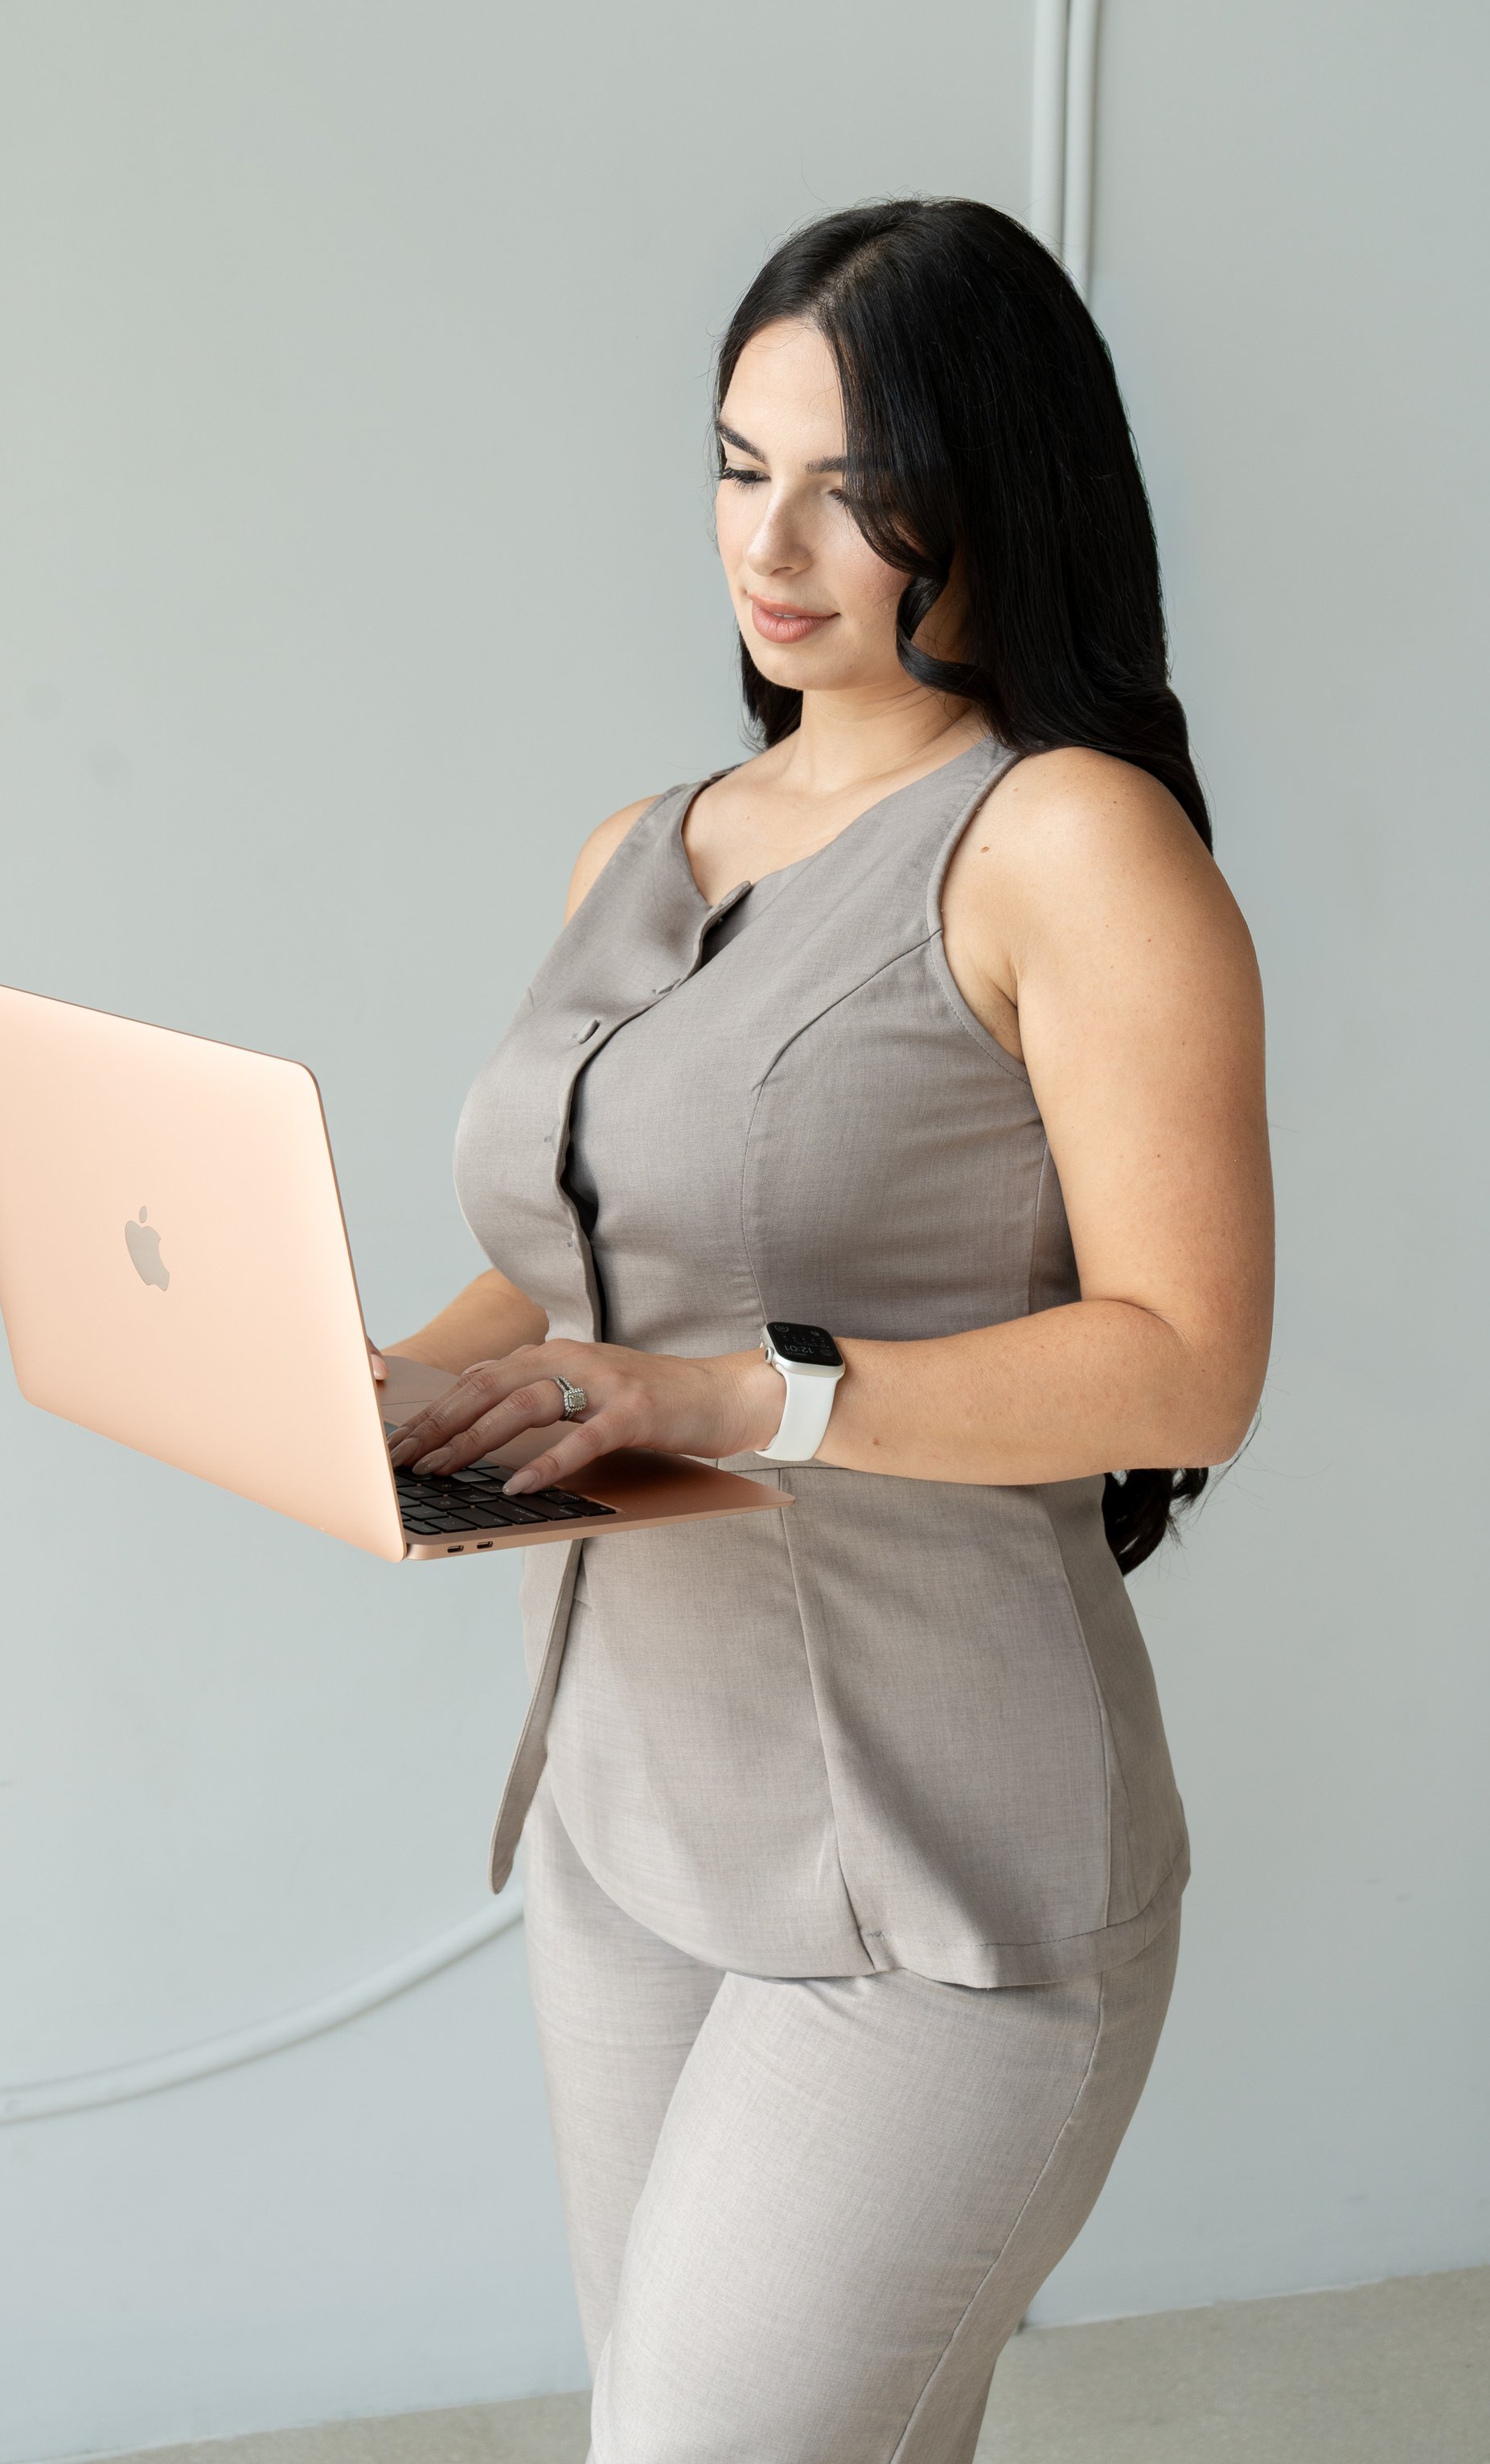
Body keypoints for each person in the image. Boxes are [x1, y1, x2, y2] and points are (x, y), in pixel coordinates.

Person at [380, 198, 1272, 2464]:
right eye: (736, 464)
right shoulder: (644, 844)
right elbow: (595, 1258)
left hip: (934, 1874)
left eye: (855, 486)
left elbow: (1184, 1356)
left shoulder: (1068, 845)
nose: (772, 546)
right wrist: (396, 1379)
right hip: (626, 1812)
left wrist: (729, 1398)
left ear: (996, 492)